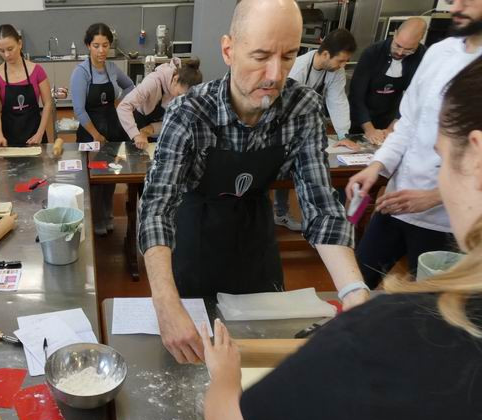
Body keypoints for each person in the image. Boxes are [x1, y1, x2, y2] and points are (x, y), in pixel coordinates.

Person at [200, 55, 482, 420]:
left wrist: (224, 375)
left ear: (476, 153)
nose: (275, 72)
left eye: (438, 156)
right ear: (229, 50)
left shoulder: (405, 333)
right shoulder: (196, 108)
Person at [138, 0, 369, 365]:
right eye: (261, 56)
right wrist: (165, 304)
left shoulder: (303, 108)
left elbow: (322, 208)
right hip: (195, 238)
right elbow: (156, 208)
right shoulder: (190, 113)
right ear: (229, 50)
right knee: (192, 357)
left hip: (254, 239)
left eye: (289, 57)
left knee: (264, 359)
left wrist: (354, 293)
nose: (275, 75)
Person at [346, 0, 482, 288]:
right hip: (397, 203)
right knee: (357, 281)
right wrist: (378, 166)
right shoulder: (439, 53)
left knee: (433, 306)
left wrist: (434, 196)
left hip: (449, 221)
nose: (457, 4)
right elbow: (408, 123)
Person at [274, 28, 358, 231]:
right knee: (285, 169)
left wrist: (342, 134)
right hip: (284, 125)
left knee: (326, 165)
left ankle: (328, 218)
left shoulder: (335, 72)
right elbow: (285, 107)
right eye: (341, 60)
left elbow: (337, 100)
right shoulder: (298, 68)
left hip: (310, 125)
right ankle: (281, 213)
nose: (343, 65)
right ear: (326, 54)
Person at [71, 23, 135, 236]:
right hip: (91, 132)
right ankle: (96, 221)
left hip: (113, 129)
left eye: (105, 45)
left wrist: (121, 104)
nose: (101, 51)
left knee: (111, 175)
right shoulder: (81, 73)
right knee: (95, 179)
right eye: (96, 45)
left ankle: (108, 217)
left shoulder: (112, 69)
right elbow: (79, 110)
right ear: (88, 45)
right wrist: (97, 135)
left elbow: (130, 87)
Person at [349, 18, 427, 145]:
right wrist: (369, 129)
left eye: (408, 49)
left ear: (420, 41)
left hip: (393, 117)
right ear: (395, 33)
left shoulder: (423, 57)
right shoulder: (372, 53)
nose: (400, 52)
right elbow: (356, 96)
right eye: (398, 45)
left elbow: (414, 97)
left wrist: (392, 128)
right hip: (362, 117)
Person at [0, 24, 53, 147]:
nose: (6, 55)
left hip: (35, 134)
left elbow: (48, 103)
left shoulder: (37, 70)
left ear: (20, 44)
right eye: (1, 50)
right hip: (9, 137)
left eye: (10, 49)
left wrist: (40, 133)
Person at [116, 57, 202, 149]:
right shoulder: (152, 82)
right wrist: (135, 134)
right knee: (136, 159)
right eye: (179, 94)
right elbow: (123, 106)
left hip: (154, 131)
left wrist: (150, 129)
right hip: (135, 124)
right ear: (175, 79)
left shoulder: (183, 94)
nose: (180, 99)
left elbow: (175, 120)